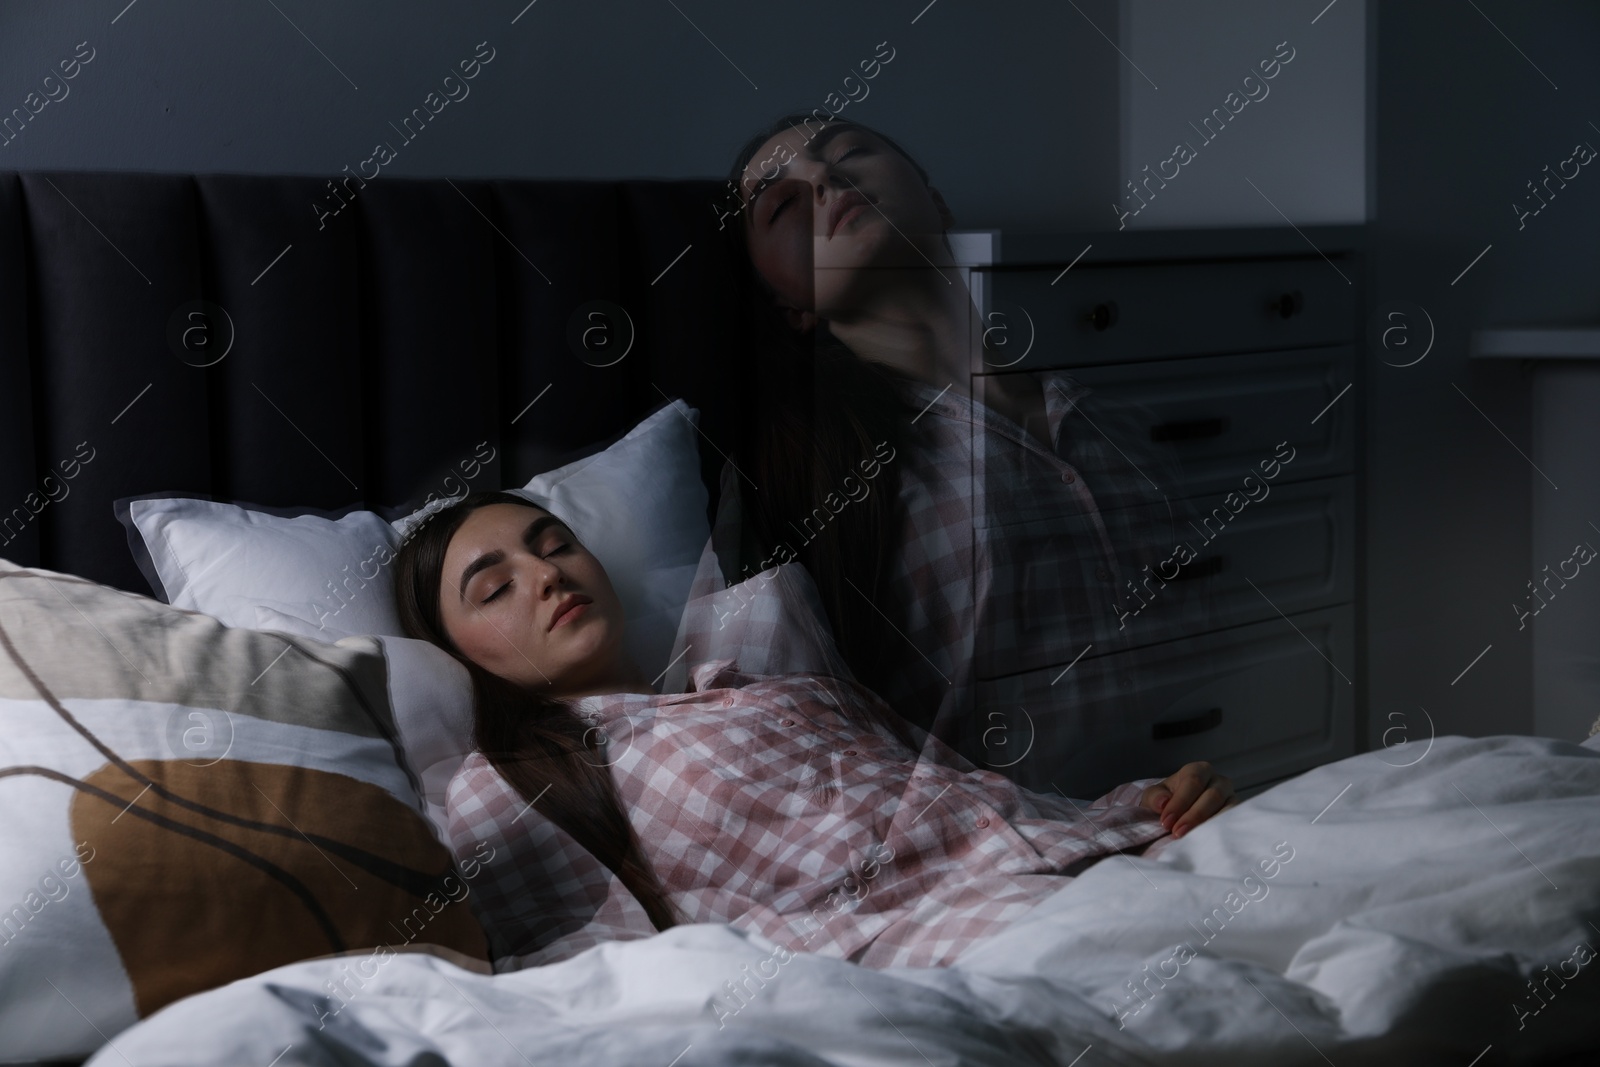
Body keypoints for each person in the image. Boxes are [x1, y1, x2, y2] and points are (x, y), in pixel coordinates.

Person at [392, 491, 1235, 971]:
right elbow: (582, 979)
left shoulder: (757, 684)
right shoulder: (502, 785)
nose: (546, 575)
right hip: (928, 943)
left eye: (556, 544)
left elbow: (971, 791)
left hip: (1075, 855)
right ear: (454, 652)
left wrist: (1145, 807)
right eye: (494, 587)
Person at [709, 113, 1207, 790]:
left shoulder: (1116, 422)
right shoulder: (798, 481)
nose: (824, 177)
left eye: (848, 151)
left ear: (936, 199)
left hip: (1189, 823)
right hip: (998, 867)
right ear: (787, 303)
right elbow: (763, 751)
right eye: (783, 202)